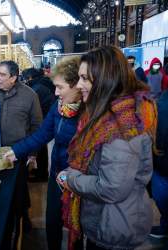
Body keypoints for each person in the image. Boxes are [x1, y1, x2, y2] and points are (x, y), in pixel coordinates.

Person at [57, 45, 156, 250]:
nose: (79, 85)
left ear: (104, 79)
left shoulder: (121, 126)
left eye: (85, 78)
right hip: (108, 219)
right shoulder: (104, 116)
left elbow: (111, 189)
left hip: (115, 228)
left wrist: (71, 178)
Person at [4, 56, 82, 250]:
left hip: (78, 179)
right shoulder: (59, 108)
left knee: (77, 226)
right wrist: (16, 152)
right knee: (52, 220)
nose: (56, 93)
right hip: (56, 175)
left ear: (77, 86)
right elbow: (42, 134)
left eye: (60, 87)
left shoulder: (90, 112)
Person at [0, 60, 42, 247]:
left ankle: (22, 218)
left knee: (18, 189)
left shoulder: (29, 95)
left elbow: (36, 126)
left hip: (19, 152)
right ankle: (2, 223)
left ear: (14, 77)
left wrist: (32, 153)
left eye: (2, 75)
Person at [21, 67, 56, 182]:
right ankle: (41, 171)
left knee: (40, 147)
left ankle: (41, 175)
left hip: (44, 118)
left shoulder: (36, 89)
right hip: (46, 116)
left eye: (25, 79)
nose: (24, 81)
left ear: (30, 78)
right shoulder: (42, 83)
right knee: (42, 147)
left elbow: (34, 109)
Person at [150, 89, 168, 239]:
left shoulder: (160, 104)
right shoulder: (160, 103)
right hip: (162, 165)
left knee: (161, 196)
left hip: (162, 166)